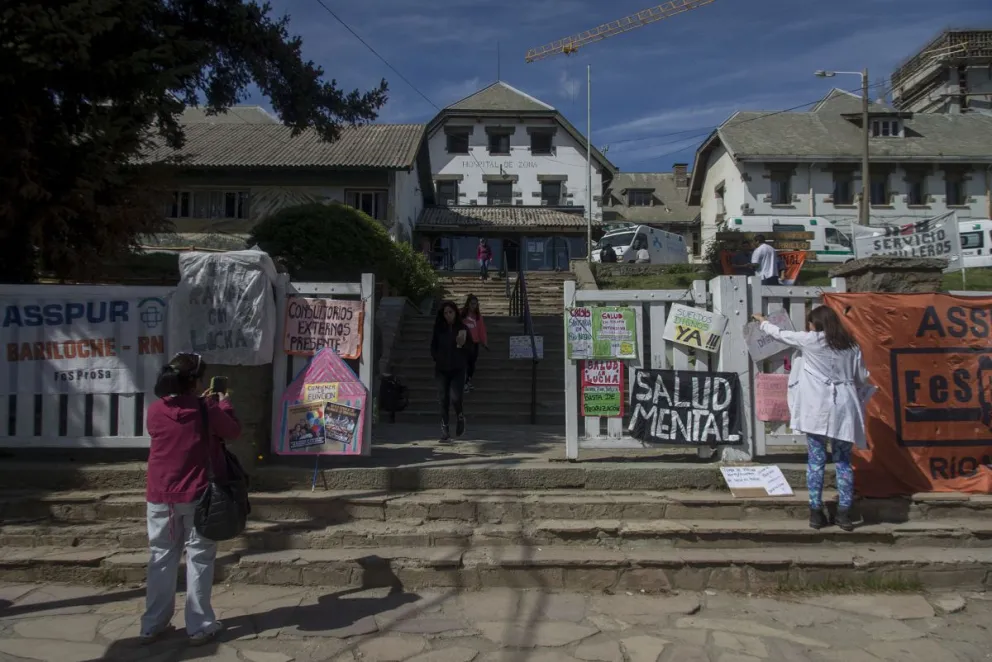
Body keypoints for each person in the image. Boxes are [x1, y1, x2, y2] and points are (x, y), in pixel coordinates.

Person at [141, 352, 242, 645]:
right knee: (199, 555)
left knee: (161, 556)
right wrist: (222, 401)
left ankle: (152, 624)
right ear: (197, 381)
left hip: (160, 494)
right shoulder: (205, 408)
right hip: (198, 494)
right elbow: (233, 430)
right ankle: (199, 625)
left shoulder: (155, 410)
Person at [752, 306, 874, 532]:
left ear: (815, 324)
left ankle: (816, 512)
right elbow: (861, 377)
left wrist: (763, 321)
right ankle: (844, 513)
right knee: (843, 461)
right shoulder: (851, 346)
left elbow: (781, 334)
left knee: (816, 461)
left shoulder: (812, 341)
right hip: (845, 407)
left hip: (817, 406)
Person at [430, 300, 469, 441]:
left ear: (455, 312)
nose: (448, 315)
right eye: (445, 313)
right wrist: (437, 357)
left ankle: (460, 417)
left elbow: (470, 350)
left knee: (455, 397)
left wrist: (462, 345)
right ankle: (445, 428)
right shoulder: (439, 329)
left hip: (457, 368)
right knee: (443, 399)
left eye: (450, 312)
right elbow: (433, 346)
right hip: (441, 368)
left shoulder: (463, 328)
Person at [461, 294, 489, 392]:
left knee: (472, 364)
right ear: (468, 304)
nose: (474, 306)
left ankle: (468, 381)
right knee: (464, 363)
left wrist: (484, 342)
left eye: (476, 304)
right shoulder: (462, 315)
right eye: (472, 304)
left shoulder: (478, 317)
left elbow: (482, 330)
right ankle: (463, 383)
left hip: (475, 343)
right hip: (464, 343)